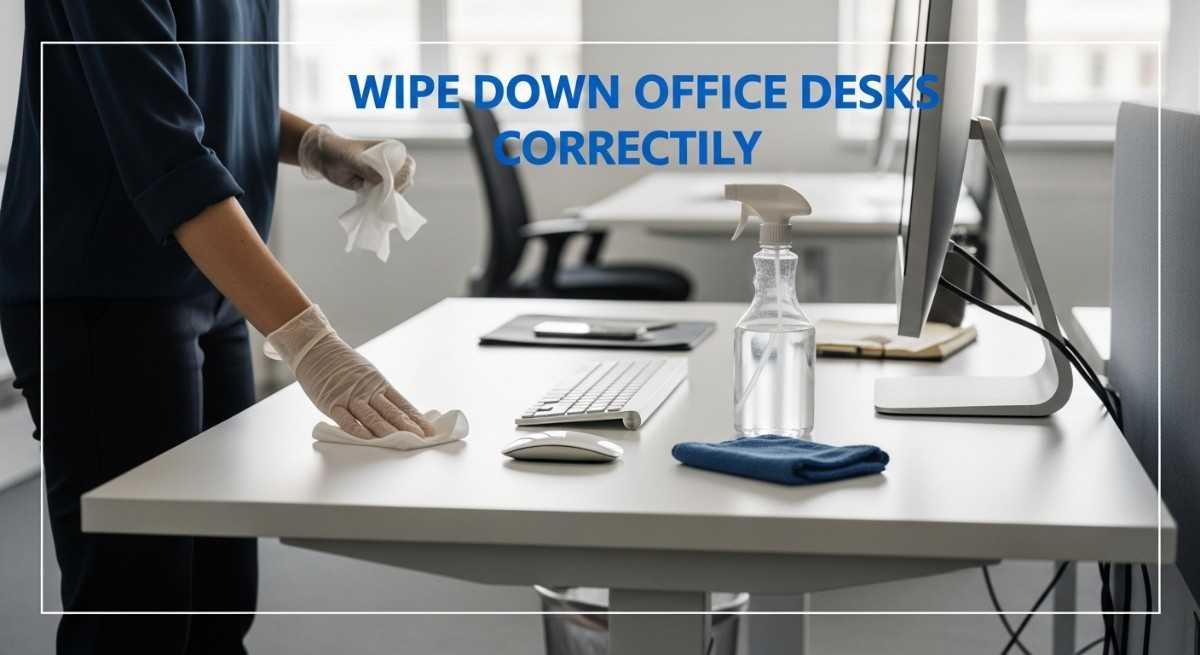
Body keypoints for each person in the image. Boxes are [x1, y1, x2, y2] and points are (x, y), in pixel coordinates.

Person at [0, 3, 431, 653]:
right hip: (104, 290)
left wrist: (316, 146)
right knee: (135, 612)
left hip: (212, 284)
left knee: (221, 601)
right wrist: (312, 342)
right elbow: (161, 143)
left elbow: (210, 86)